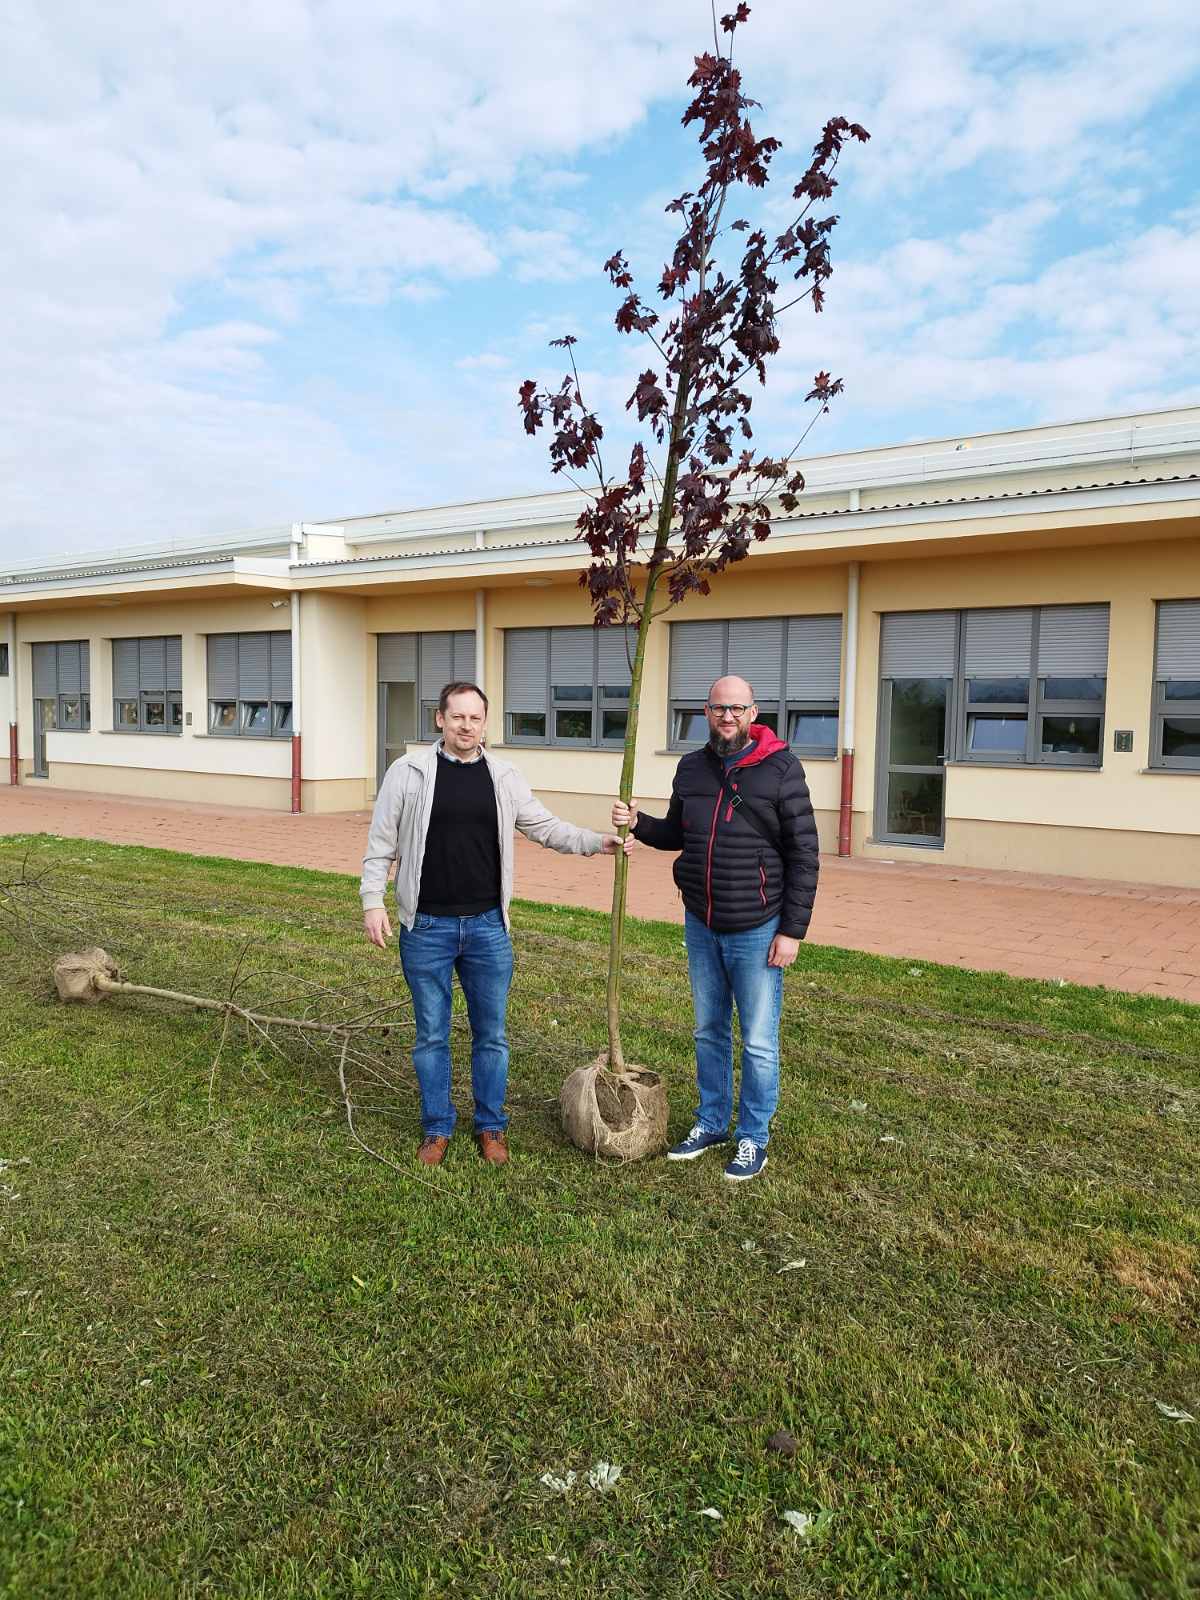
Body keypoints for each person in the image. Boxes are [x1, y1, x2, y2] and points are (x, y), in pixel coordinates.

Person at [362, 681, 630, 1167]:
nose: (467, 725)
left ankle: (490, 1126)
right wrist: (372, 902)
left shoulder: (503, 776)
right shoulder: (408, 773)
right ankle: (437, 1127)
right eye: (457, 716)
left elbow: (544, 827)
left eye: (476, 718)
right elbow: (381, 843)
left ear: (486, 724)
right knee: (431, 1036)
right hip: (425, 928)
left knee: (492, 1035)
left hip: (487, 928)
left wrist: (596, 842)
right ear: (440, 719)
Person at [611, 675, 819, 1181]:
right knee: (708, 1031)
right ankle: (711, 1122)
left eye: (737, 709)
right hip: (702, 922)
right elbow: (677, 835)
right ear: (706, 712)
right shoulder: (692, 768)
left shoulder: (782, 770)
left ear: (753, 713)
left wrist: (791, 931)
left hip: (756, 926)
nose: (727, 717)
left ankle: (752, 1137)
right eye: (718, 708)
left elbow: (805, 855)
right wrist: (638, 822)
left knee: (758, 1041)